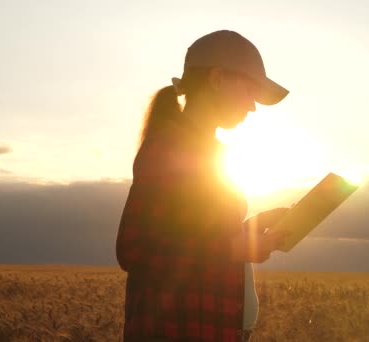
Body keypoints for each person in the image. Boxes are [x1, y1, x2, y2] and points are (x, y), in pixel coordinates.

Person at [116, 30, 290, 342]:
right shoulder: (169, 147)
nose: (253, 106)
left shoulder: (215, 154)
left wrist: (251, 230)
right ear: (217, 78)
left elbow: (197, 237)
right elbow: (134, 249)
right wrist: (234, 248)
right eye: (250, 89)